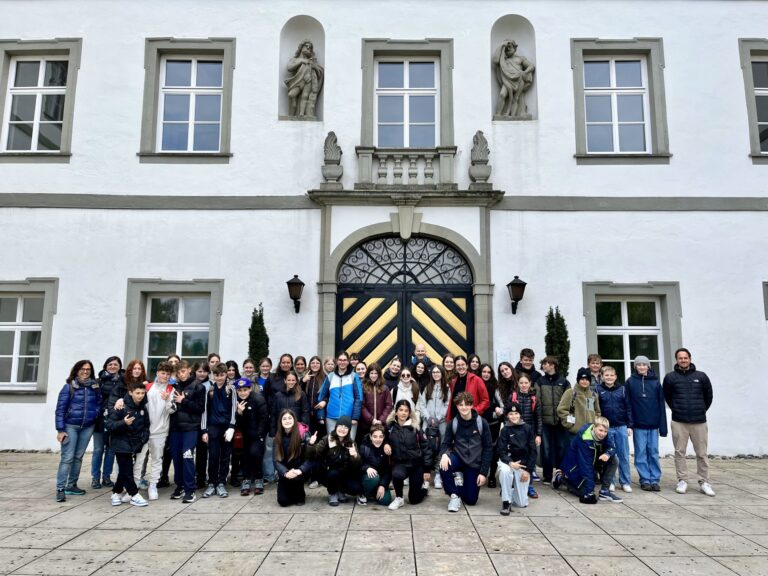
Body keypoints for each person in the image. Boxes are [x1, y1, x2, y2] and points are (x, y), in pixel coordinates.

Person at [663, 348, 715, 497]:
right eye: (680, 358)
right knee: (680, 452)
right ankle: (682, 480)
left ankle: (704, 482)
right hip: (679, 421)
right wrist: (678, 409)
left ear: (690, 359)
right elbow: (668, 396)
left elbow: (708, 396)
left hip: (699, 421)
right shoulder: (670, 377)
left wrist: (700, 410)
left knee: (702, 453)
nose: (683, 360)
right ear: (676, 360)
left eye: (685, 358)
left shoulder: (702, 376)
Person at [54, 359, 101, 502]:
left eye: (88, 369)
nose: (85, 371)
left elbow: (98, 403)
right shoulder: (68, 387)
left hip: (87, 426)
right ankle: (60, 488)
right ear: (76, 370)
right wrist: (60, 429)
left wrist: (95, 415)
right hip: (70, 426)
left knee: (78, 457)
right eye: (82, 368)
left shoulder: (94, 386)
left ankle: (72, 485)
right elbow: (60, 410)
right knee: (67, 457)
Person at [438, 392, 493, 512]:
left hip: (474, 462)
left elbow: (488, 448)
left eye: (467, 404)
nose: (464, 407)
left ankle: (458, 484)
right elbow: (446, 443)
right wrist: (444, 455)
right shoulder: (453, 423)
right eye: (460, 404)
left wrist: (483, 473)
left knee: (471, 500)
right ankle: (454, 495)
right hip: (459, 457)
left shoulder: (481, 422)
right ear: (456, 406)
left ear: (472, 405)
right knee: (443, 466)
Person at [553, 417, 623, 504]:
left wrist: (607, 454)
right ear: (594, 427)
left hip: (592, 460)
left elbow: (612, 447)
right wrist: (590, 491)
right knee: (584, 492)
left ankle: (604, 491)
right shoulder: (585, 440)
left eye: (605, 431)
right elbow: (586, 466)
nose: (603, 434)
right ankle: (561, 477)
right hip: (575, 466)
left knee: (614, 459)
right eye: (600, 430)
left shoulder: (606, 434)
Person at [133, 361, 175, 501]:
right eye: (163, 373)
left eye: (168, 374)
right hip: (144, 431)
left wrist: (168, 399)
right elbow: (136, 401)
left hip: (161, 431)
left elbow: (172, 410)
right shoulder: (148, 387)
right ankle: (134, 487)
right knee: (139, 460)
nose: (165, 376)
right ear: (157, 373)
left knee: (157, 459)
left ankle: (153, 485)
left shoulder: (171, 389)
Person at [625, 355, 667, 491]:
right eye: (639, 365)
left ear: (648, 366)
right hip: (638, 425)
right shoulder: (630, 382)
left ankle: (655, 479)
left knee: (653, 452)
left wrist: (663, 427)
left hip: (653, 425)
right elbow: (628, 404)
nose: (642, 367)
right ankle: (644, 479)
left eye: (644, 365)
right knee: (641, 452)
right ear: (635, 366)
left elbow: (661, 405)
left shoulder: (655, 382)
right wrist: (630, 424)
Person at [106, 381, 150, 507]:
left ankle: (116, 492)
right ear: (130, 392)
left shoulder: (142, 407)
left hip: (134, 443)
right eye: (137, 393)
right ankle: (134, 494)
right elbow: (109, 425)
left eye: (142, 393)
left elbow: (146, 425)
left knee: (124, 471)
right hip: (120, 442)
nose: (140, 395)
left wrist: (143, 439)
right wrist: (123, 423)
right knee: (128, 470)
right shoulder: (121, 406)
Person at [169, 360, 206, 503]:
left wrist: (183, 401)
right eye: (178, 372)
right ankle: (180, 486)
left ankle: (190, 489)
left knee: (187, 456)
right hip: (175, 428)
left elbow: (200, 408)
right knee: (177, 458)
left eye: (183, 371)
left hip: (191, 428)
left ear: (189, 370)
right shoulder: (174, 386)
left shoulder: (198, 387)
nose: (181, 374)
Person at [386, 399, 431, 510]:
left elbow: (426, 448)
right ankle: (399, 498)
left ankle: (424, 489)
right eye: (401, 410)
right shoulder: (390, 427)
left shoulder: (415, 427)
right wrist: (386, 444)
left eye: (406, 410)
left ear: (409, 413)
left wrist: (427, 469)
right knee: (396, 474)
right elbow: (379, 438)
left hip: (416, 465)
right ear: (396, 412)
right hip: (400, 463)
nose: (403, 413)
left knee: (414, 500)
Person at [307, 415, 362, 506]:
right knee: (333, 473)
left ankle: (341, 490)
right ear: (336, 427)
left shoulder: (351, 443)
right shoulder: (327, 439)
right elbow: (313, 455)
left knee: (356, 488)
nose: (342, 429)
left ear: (349, 430)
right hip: (328, 473)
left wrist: (355, 456)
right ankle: (333, 493)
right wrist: (311, 444)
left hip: (344, 474)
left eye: (346, 427)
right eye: (340, 426)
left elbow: (357, 465)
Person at [201, 363, 237, 498]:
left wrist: (232, 427)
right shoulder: (209, 390)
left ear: (226, 374)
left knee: (225, 457)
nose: (219, 378)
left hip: (227, 428)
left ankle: (221, 482)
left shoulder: (231, 389)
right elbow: (205, 411)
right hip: (213, 428)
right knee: (213, 456)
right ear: (213, 375)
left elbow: (234, 408)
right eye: (216, 375)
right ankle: (211, 483)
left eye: (222, 375)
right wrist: (204, 430)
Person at [596, 366, 632, 493]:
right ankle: (610, 482)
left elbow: (628, 408)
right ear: (602, 377)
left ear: (615, 377)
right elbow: (595, 408)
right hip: (606, 428)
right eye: (606, 375)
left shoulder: (622, 389)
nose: (609, 377)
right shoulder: (598, 389)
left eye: (612, 375)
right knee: (610, 456)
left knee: (623, 455)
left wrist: (629, 426)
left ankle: (625, 482)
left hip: (621, 426)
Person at [536, 355, 571, 483]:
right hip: (545, 421)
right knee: (546, 449)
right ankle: (547, 475)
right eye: (543, 363)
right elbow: (538, 402)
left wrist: (567, 419)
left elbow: (569, 402)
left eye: (546, 363)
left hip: (560, 422)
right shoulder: (540, 381)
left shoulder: (564, 382)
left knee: (561, 447)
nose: (544, 366)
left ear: (553, 365)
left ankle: (560, 474)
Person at [497, 402, 536, 513]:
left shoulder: (528, 428)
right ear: (507, 416)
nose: (514, 416)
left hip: (522, 465)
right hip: (508, 462)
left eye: (516, 413)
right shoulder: (505, 430)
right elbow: (501, 450)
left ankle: (507, 490)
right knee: (505, 472)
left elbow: (533, 451)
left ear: (520, 414)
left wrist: (528, 470)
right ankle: (506, 503)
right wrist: (510, 462)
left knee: (521, 503)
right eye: (511, 414)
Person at [417, 364, 451, 489]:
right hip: (428, 422)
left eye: (438, 372)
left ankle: (438, 474)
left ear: (442, 373)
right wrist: (428, 417)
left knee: (441, 448)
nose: (436, 374)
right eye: (434, 372)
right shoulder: (427, 387)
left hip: (441, 423)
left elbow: (447, 404)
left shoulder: (446, 388)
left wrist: (439, 418)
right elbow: (422, 405)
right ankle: (425, 474)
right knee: (427, 448)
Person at [508, 372, 542, 494]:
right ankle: (512, 484)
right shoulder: (513, 396)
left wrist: (538, 434)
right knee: (515, 457)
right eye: (521, 383)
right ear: (518, 383)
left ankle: (529, 485)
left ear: (530, 383)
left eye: (526, 383)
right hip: (514, 432)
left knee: (529, 458)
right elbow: (508, 415)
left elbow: (538, 417)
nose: (523, 385)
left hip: (529, 432)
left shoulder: (534, 398)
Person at [234, 377, 269, 495]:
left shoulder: (258, 399)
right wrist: (239, 413)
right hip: (244, 435)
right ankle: (246, 479)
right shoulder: (236, 401)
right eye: (240, 390)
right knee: (245, 457)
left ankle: (259, 478)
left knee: (255, 454)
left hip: (257, 434)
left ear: (250, 389)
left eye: (245, 389)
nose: (242, 392)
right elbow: (238, 423)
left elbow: (263, 419)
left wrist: (260, 435)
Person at [316, 350, 363, 438]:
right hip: (331, 417)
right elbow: (321, 396)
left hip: (349, 418)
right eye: (340, 360)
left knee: (349, 444)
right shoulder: (331, 376)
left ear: (348, 361)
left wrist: (355, 417)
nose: (342, 362)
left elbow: (359, 398)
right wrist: (321, 415)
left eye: (344, 360)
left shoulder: (354, 376)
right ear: (337, 361)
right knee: (332, 444)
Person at [92, 356, 123, 489]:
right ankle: (95, 478)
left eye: (115, 364)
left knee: (111, 450)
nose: (112, 366)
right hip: (99, 419)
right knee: (98, 449)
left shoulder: (123, 381)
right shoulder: (98, 381)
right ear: (105, 366)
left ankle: (106, 477)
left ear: (119, 367)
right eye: (110, 364)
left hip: (115, 419)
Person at [273, 409, 312, 507]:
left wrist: (300, 470)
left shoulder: (303, 435)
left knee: (299, 501)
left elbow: (310, 458)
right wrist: (285, 472)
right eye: (284, 419)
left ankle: (299, 492)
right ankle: (289, 489)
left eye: (290, 418)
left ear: (294, 420)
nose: (287, 421)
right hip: (285, 472)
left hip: (299, 471)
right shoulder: (277, 437)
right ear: (280, 422)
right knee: (283, 501)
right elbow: (276, 460)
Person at [493, 39, 535, 118]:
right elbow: (495, 60)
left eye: (509, 47)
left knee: (516, 98)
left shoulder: (520, 58)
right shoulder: (503, 60)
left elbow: (531, 66)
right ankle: (498, 115)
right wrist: (502, 45)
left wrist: (525, 72)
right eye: (506, 48)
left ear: (515, 48)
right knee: (502, 95)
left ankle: (513, 116)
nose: (508, 49)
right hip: (507, 80)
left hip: (519, 80)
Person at [285, 39, 324, 118]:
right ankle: (291, 115)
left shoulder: (312, 61)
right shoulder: (295, 60)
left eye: (310, 48)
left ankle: (301, 114)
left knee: (305, 96)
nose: (308, 48)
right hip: (298, 81)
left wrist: (314, 67)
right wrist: (302, 61)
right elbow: (289, 68)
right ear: (301, 47)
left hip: (308, 80)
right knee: (291, 95)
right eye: (306, 46)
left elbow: (320, 72)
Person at [479, 363, 504, 488]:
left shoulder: (495, 386)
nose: (486, 374)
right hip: (479, 422)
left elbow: (502, 406)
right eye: (484, 371)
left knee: (493, 450)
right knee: (479, 448)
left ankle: (492, 476)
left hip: (493, 423)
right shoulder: (477, 384)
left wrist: (497, 413)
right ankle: (480, 473)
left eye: (489, 372)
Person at [558, 367, 601, 438]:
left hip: (590, 434)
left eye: (587, 379)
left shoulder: (593, 395)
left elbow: (597, 412)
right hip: (574, 434)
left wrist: (594, 422)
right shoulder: (570, 393)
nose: (585, 381)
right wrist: (570, 422)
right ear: (578, 380)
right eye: (582, 379)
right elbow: (561, 410)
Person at [358, 423, 394, 506]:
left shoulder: (386, 450)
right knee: (374, 477)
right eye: (375, 436)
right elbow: (358, 464)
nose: (378, 439)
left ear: (384, 437)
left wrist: (383, 485)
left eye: (381, 436)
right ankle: (362, 493)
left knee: (386, 501)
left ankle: (373, 492)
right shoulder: (364, 447)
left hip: (380, 480)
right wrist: (367, 468)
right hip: (367, 478)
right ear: (370, 436)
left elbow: (389, 470)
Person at [446, 356, 489, 420]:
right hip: (455, 418)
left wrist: (474, 411)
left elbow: (485, 401)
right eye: (458, 365)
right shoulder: (453, 381)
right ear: (455, 367)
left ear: (467, 366)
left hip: (470, 419)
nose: (460, 367)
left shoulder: (477, 380)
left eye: (463, 365)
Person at [270, 371, 310, 436]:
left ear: (296, 381)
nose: (291, 382)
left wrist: (303, 428)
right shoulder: (277, 395)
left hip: (296, 429)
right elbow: (273, 414)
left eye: (293, 380)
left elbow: (305, 413)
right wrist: (273, 432)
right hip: (281, 429)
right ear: (285, 381)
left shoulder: (301, 394)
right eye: (289, 380)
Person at [360, 363, 392, 441]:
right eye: (371, 373)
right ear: (368, 374)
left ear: (379, 374)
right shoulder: (363, 387)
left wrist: (381, 420)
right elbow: (362, 405)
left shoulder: (385, 388)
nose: (373, 376)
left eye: (375, 373)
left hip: (381, 424)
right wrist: (372, 420)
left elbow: (388, 405)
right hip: (366, 424)